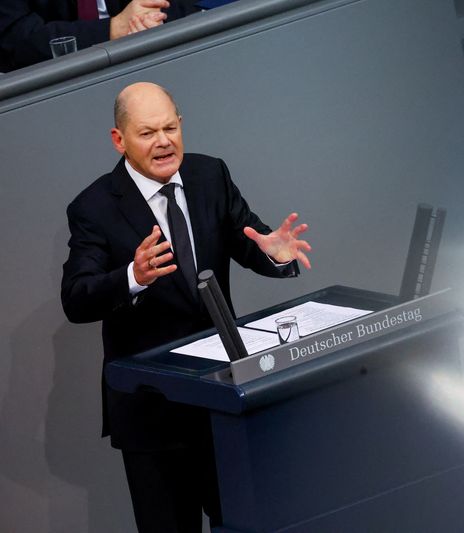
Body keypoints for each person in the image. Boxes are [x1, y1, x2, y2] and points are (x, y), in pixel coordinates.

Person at [61, 81, 312, 532]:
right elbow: (77, 298)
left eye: (170, 128)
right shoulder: (94, 207)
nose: (163, 142)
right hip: (153, 414)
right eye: (147, 133)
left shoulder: (208, 175)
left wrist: (275, 252)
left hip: (223, 400)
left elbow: (248, 239)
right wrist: (132, 276)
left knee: (246, 522)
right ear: (119, 140)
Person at [0, 0, 198, 72]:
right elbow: (19, 41)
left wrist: (150, 16)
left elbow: (181, 6)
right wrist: (114, 28)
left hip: (149, 63)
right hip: (54, 88)